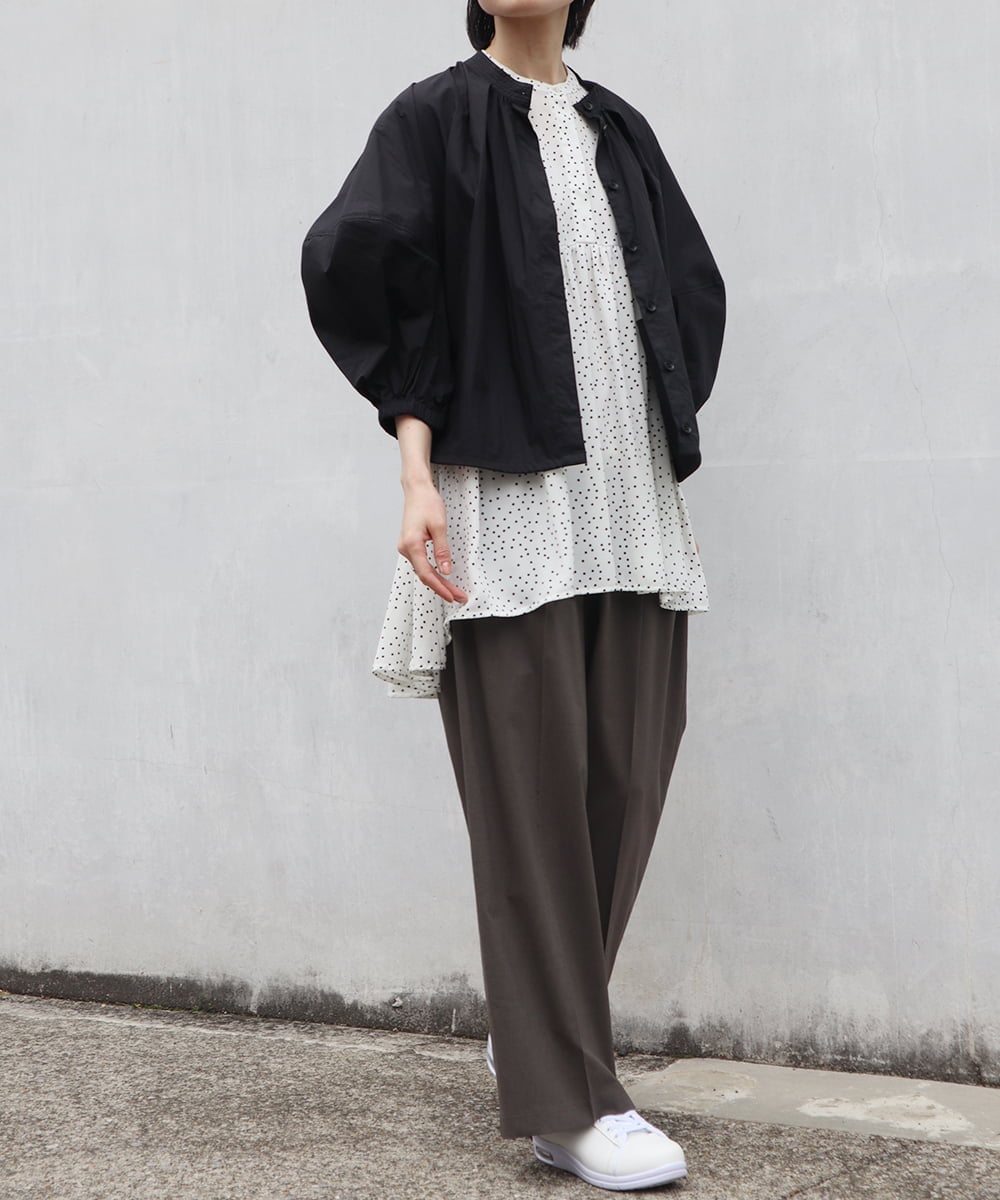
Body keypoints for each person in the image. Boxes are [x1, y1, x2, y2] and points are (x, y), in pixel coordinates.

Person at [300, 1, 726, 1190]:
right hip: (503, 496)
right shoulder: (433, 120)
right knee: (532, 799)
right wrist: (415, 475)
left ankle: (537, 1035)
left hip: (627, 497)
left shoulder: (617, 129)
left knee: (624, 777)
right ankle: (568, 1103)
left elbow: (687, 292)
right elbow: (374, 279)